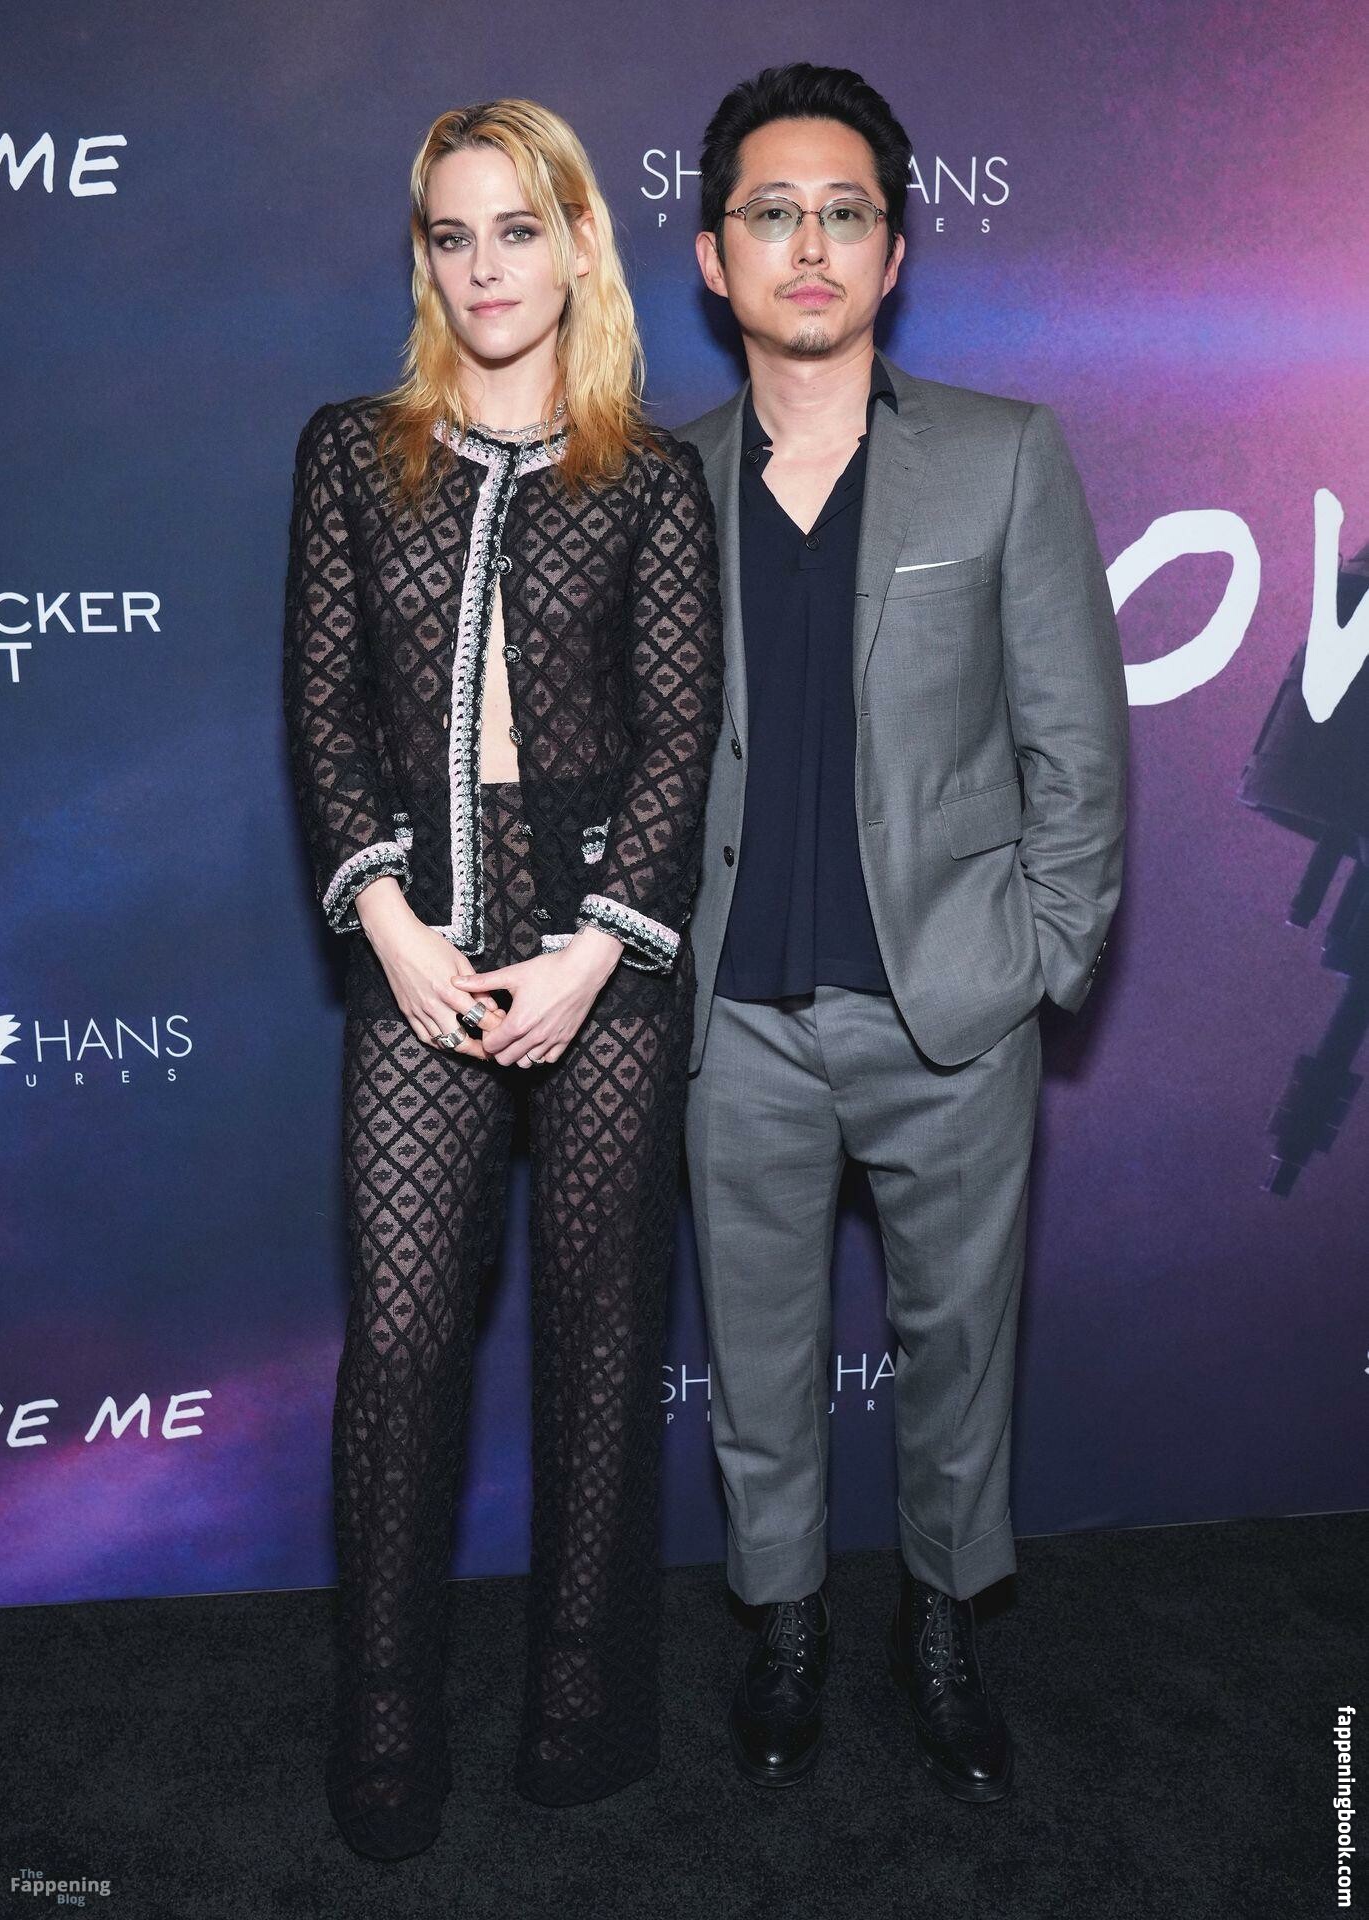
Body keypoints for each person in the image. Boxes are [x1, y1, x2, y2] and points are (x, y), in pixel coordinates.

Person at [675, 63, 1128, 1800]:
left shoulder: (1005, 456)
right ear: (714, 256)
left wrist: (1041, 962)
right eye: (772, 213)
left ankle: (942, 1619)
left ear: (895, 249)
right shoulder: (660, 483)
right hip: (733, 1022)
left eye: (844, 212)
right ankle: (783, 1619)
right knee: (758, 1363)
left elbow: (1076, 749)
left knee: (959, 1356)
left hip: (951, 1010)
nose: (809, 243)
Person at [281, 98, 723, 1861]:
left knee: (603, 1344)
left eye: (517, 230)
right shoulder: (351, 452)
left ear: (579, 243)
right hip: (420, 940)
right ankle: (384, 1718)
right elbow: (323, 712)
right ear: (425, 257)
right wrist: (392, 929)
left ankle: (581, 1710)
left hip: (602, 945)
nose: (485, 269)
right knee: (399, 1344)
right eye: (453, 236)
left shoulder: (651, 477)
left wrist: (601, 947)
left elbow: (682, 734)